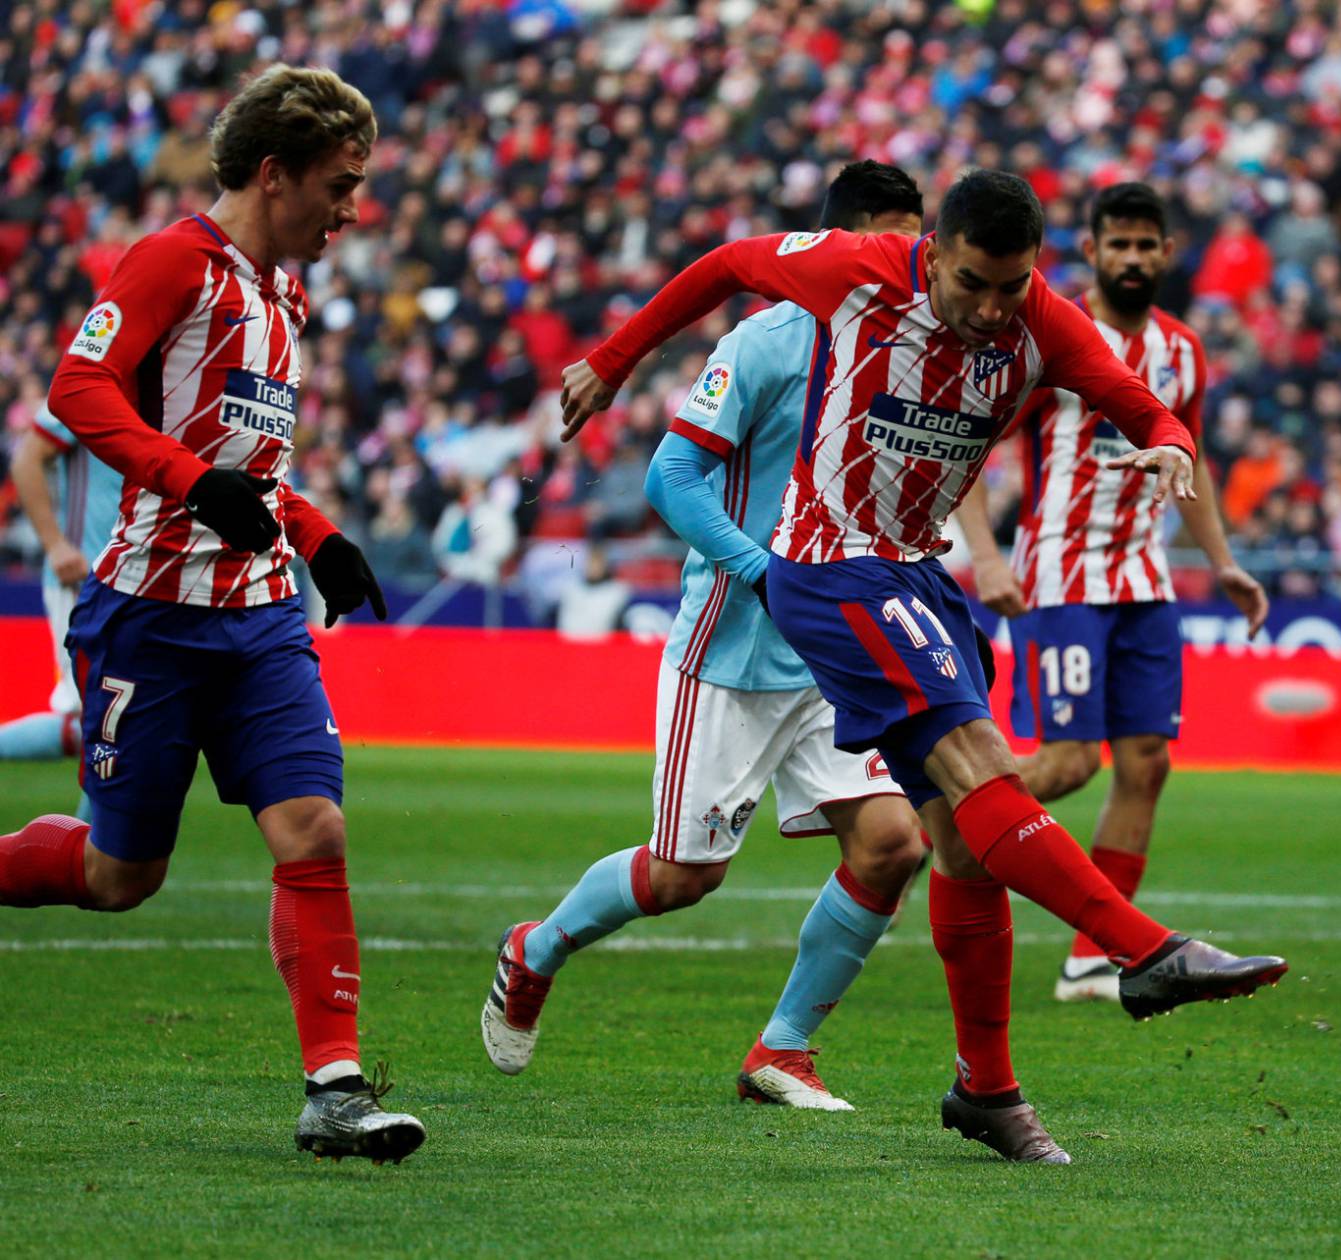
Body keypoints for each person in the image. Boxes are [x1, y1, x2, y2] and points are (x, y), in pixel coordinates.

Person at [559, 168, 1289, 1162]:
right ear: (934, 252)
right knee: (978, 758)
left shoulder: (1041, 320)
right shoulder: (857, 271)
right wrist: (610, 359)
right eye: (974, 284)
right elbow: (728, 264)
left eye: (1013, 286)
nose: (994, 310)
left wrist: (1164, 444)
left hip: (916, 575)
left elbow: (1140, 403)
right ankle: (1142, 948)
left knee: (953, 842)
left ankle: (986, 1090)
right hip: (829, 567)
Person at [0, 66, 417, 1163]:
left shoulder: (284, 293)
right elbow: (76, 393)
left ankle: (335, 1093)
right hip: (149, 616)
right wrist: (189, 484)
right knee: (117, 876)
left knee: (313, 831)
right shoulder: (175, 260)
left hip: (262, 617)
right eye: (340, 184)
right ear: (273, 175)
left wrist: (318, 536)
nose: (352, 209)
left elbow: (254, 468)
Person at [482, 162, 935, 1118]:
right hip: (732, 648)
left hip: (831, 654)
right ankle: (538, 948)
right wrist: (767, 572)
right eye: (894, 244)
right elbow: (672, 481)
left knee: (894, 844)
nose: (911, 267)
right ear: (845, 247)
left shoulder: (903, 354)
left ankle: (784, 1049)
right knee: (684, 875)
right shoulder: (767, 341)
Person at [955, 182, 1269, 1003]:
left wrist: (1223, 561)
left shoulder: (1183, 353)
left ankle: (1097, 957)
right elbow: (971, 446)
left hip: (1147, 578)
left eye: (1146, 244)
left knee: (1147, 763)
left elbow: (1189, 456)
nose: (1133, 258)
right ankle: (943, 821)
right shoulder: (1049, 335)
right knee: (1065, 764)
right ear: (1090, 251)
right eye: (1117, 244)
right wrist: (986, 557)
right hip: (1060, 573)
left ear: (1167, 253)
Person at [0, 405, 122, 799]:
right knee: (103, 720)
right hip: (83, 576)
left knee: (118, 718)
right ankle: (100, 855)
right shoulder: (95, 376)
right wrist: (55, 545)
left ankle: (101, 853)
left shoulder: (168, 385)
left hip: (136, 578)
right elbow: (27, 458)